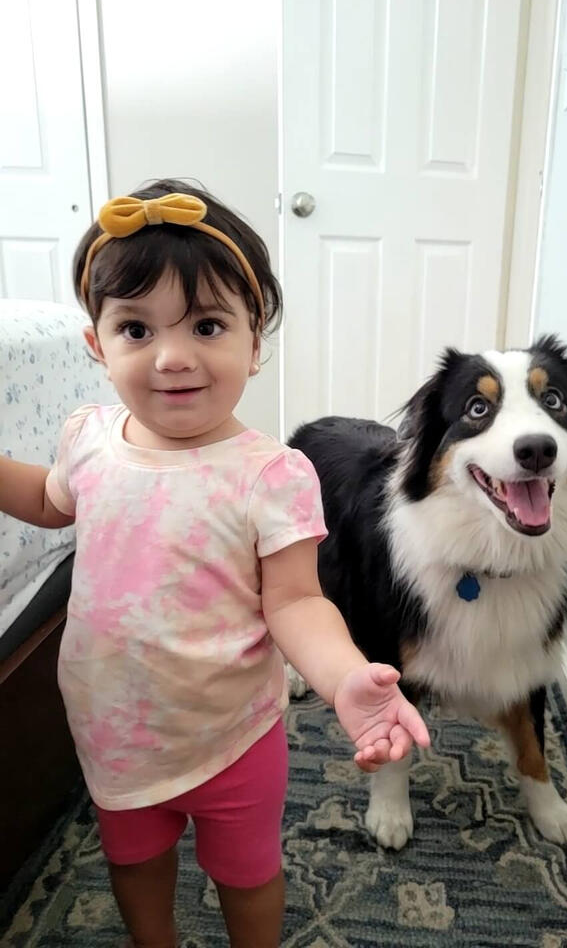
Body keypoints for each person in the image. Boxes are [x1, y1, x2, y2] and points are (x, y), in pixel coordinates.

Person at [0, 180, 430, 948]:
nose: (171, 358)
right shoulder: (87, 440)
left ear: (253, 340)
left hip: (232, 732)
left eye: (206, 324)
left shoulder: (270, 475)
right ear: (96, 344)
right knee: (133, 862)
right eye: (135, 328)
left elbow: (296, 603)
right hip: (114, 727)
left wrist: (343, 678)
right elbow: (47, 503)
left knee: (247, 873)